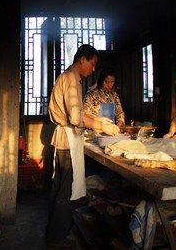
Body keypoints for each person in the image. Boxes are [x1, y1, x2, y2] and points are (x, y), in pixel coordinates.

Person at [46, 44, 120, 247]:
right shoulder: (71, 80)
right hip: (67, 140)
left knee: (59, 187)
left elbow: (78, 115)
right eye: (93, 63)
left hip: (65, 139)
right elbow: (76, 117)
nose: (94, 69)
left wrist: (100, 123)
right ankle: (57, 238)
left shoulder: (71, 78)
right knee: (66, 190)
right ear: (82, 60)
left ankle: (55, 231)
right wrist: (100, 125)